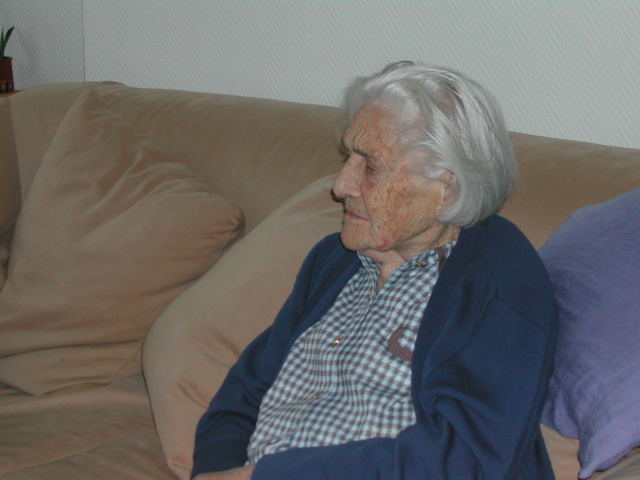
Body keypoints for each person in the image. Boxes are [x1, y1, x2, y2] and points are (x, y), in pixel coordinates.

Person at [191, 61, 558, 480]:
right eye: (348, 157)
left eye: (370, 167)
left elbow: (468, 458)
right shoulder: (334, 261)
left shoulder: (497, 281)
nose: (340, 185)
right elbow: (244, 394)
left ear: (445, 187)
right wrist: (216, 471)